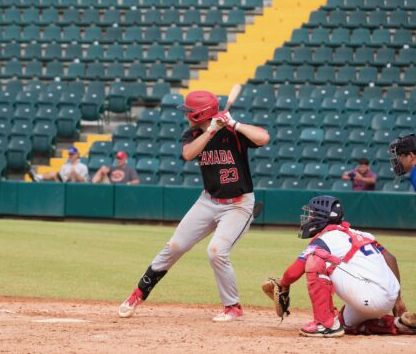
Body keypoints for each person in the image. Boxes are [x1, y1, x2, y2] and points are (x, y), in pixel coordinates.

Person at [118, 90, 270, 322]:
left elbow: (263, 137)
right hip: (208, 201)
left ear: (200, 114)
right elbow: (188, 154)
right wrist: (210, 130)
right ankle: (138, 293)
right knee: (175, 246)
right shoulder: (193, 134)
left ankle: (233, 307)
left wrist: (234, 123)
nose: (186, 115)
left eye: (190, 112)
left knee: (216, 252)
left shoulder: (233, 132)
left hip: (238, 205)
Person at [271, 195, 415, 337]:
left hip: (369, 297)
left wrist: (282, 284)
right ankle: (398, 324)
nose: (309, 218)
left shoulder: (325, 239)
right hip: (386, 299)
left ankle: (324, 324)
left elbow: (293, 273)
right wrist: (398, 301)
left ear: (322, 217)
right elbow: (391, 259)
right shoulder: (362, 234)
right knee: (345, 323)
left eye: (312, 214)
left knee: (315, 259)